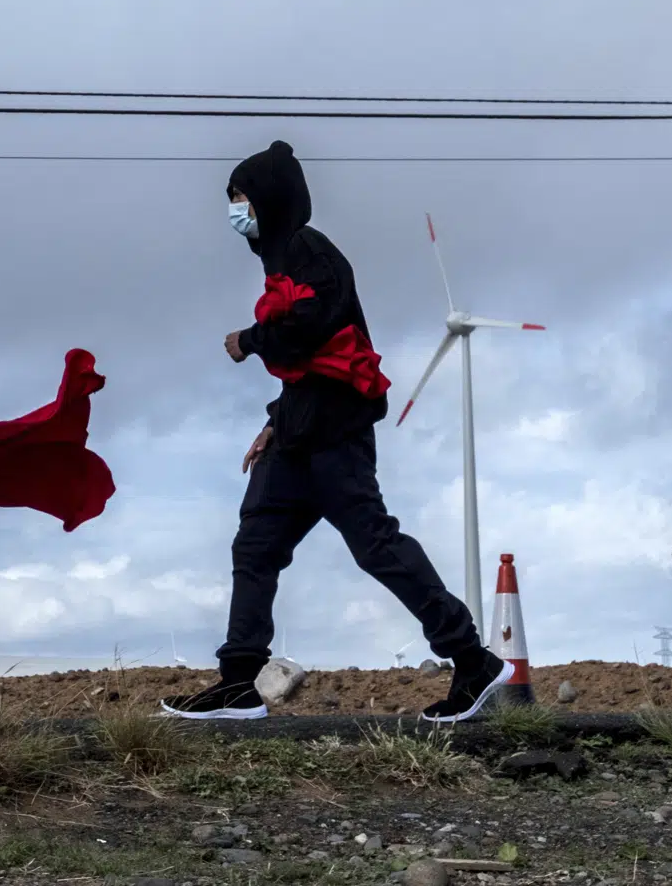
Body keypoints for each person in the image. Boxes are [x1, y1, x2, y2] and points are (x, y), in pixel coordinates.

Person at [160, 140, 513, 723]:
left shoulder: (308, 248)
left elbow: (312, 327)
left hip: (333, 437)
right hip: (296, 433)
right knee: (254, 547)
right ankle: (237, 682)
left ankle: (471, 660)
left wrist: (249, 340)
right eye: (231, 199)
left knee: (376, 546)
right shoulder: (281, 257)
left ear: (271, 198)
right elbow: (312, 365)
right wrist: (274, 421)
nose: (235, 210)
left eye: (242, 197)